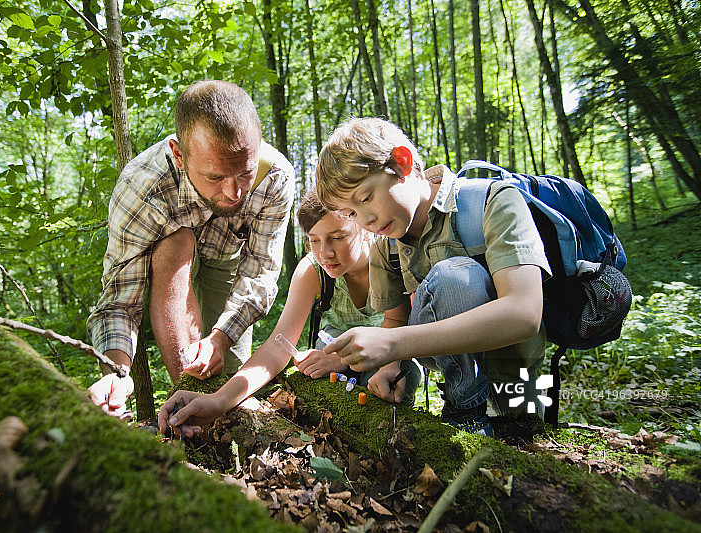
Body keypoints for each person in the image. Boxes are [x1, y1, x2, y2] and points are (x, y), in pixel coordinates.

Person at [314, 117, 552, 436]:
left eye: (366, 197)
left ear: (402, 162)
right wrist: (390, 366)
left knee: (528, 437)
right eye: (352, 214)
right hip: (456, 375)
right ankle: (465, 412)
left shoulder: (494, 201)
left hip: (514, 367)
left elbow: (525, 314)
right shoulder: (386, 246)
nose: (366, 220)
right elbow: (396, 319)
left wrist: (393, 345)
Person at [86, 80, 295, 417]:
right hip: (170, 263)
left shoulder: (276, 177)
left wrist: (221, 338)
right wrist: (117, 373)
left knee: (230, 373)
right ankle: (188, 402)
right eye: (214, 176)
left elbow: (260, 270)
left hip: (227, 261)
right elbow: (120, 300)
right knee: (176, 242)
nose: (233, 193)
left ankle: (227, 431)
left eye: (244, 173)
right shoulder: (143, 186)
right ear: (180, 155)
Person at [159, 190, 421, 438]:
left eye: (338, 237)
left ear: (363, 227)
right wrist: (219, 400)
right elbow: (278, 347)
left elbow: (402, 328)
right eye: (314, 240)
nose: (325, 253)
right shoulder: (313, 271)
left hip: (389, 356)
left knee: (398, 379)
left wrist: (343, 361)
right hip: (328, 356)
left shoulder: (390, 258)